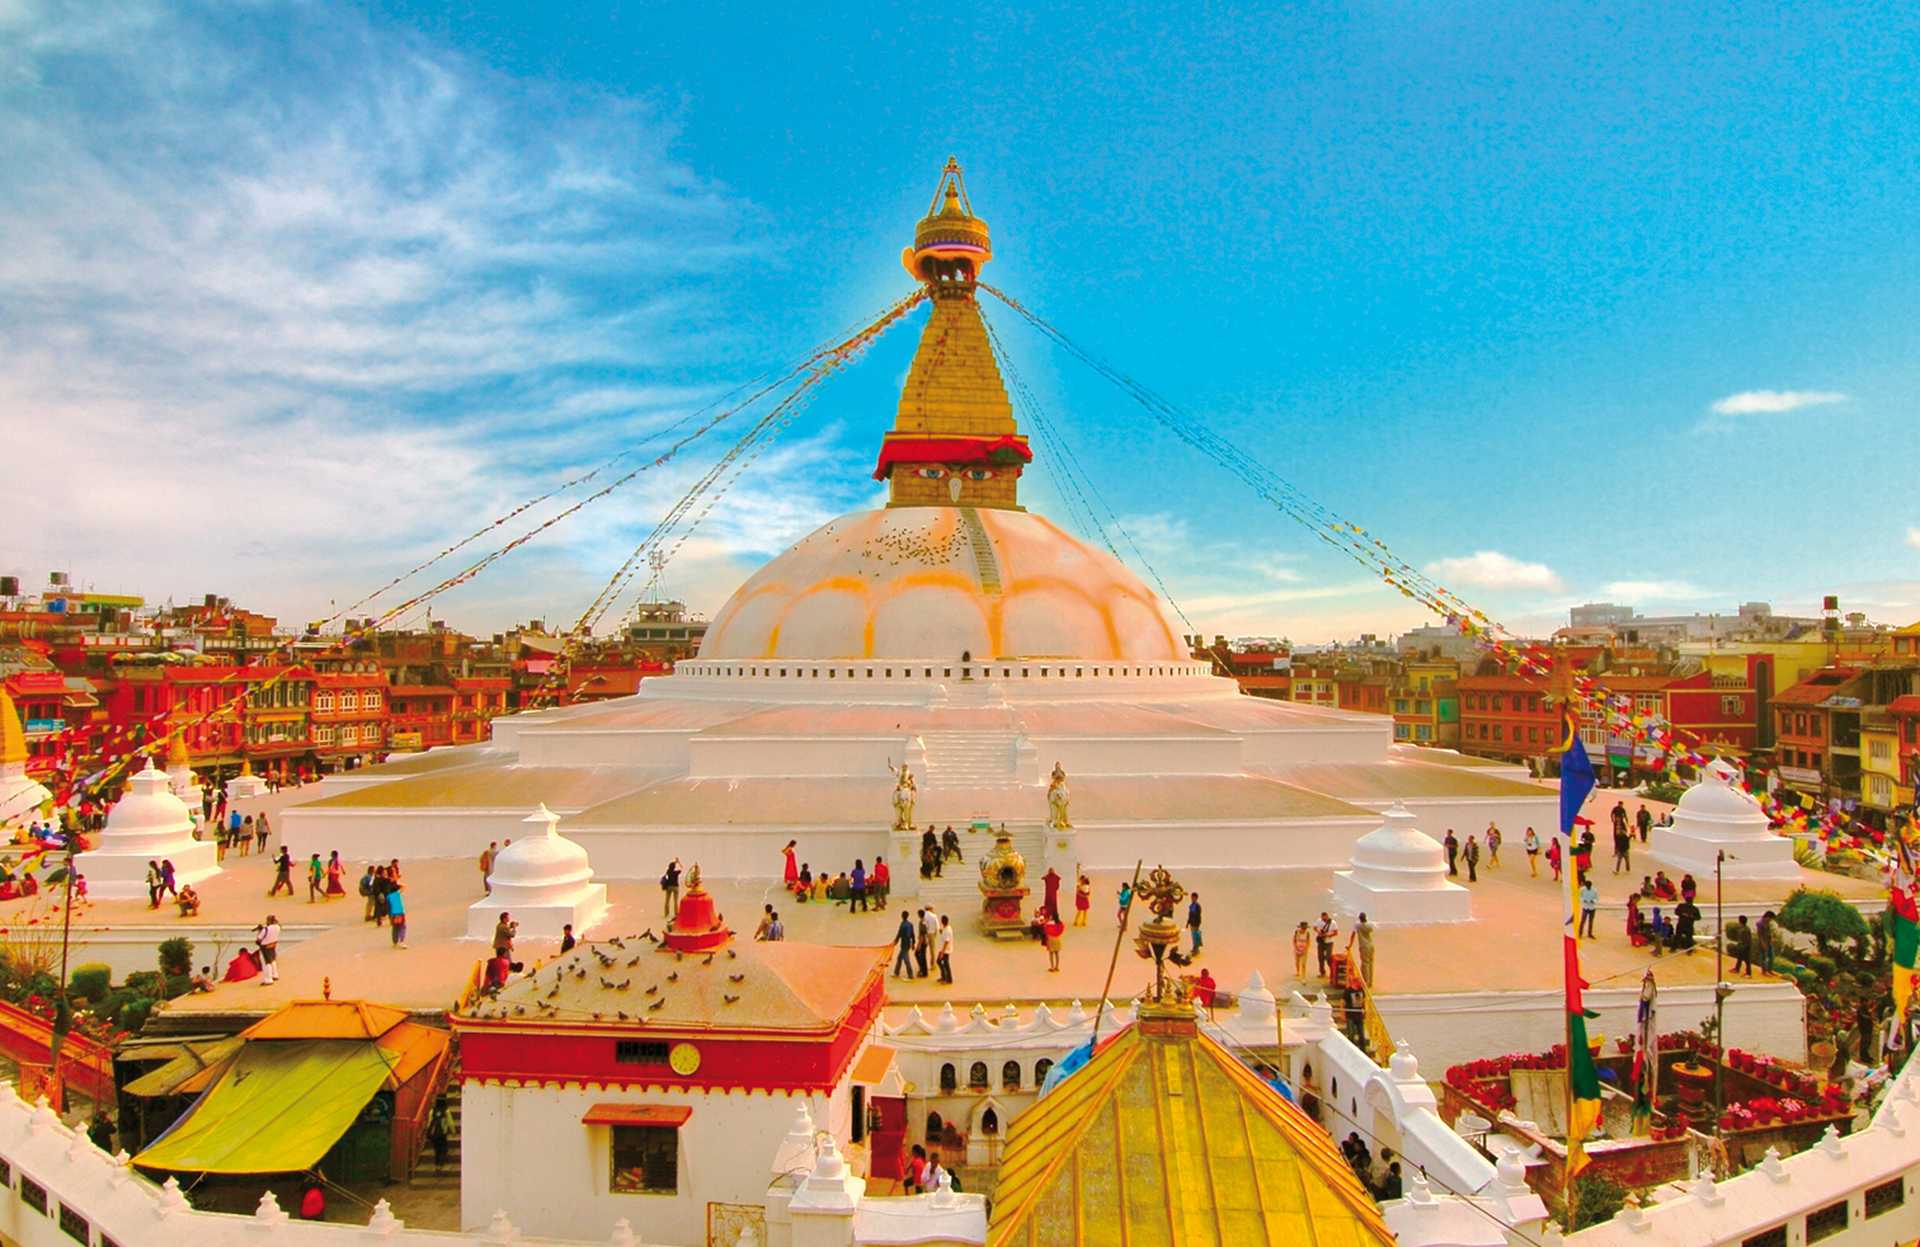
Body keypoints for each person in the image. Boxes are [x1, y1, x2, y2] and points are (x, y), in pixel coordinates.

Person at [427, 1097, 454, 1170]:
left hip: (434, 1134)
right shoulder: (446, 1111)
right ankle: (441, 1163)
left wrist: (429, 1131)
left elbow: (429, 1123)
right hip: (442, 1133)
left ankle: (437, 1164)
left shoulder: (432, 1111)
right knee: (443, 1148)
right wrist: (453, 1131)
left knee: (436, 1150)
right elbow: (450, 1122)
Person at [1351, 912, 1376, 987]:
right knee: (1371, 963)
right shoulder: (1370, 925)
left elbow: (1353, 935)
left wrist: (1350, 945)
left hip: (1364, 946)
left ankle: (1365, 982)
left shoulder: (1357, 925)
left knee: (1365, 964)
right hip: (1371, 945)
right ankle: (1370, 982)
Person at [256, 915, 281, 985]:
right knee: (273, 960)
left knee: (267, 963)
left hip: (265, 947)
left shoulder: (266, 929)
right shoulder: (278, 927)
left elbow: (259, 938)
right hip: (273, 945)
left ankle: (268, 979)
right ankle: (275, 975)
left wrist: (259, 931)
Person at [893, 911, 916, 978]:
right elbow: (913, 935)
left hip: (904, 945)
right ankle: (896, 973)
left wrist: (895, 942)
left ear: (902, 916)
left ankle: (910, 975)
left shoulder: (902, 924)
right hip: (908, 943)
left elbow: (899, 934)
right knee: (899, 958)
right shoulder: (910, 924)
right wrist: (913, 944)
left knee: (906, 960)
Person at [1315, 911, 1338, 977]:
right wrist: (1318, 932)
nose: (1323, 920)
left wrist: (1328, 935)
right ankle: (1322, 972)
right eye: (1322, 919)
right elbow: (1315, 927)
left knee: (1328, 958)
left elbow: (1336, 933)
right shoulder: (1319, 921)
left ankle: (1332, 972)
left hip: (1329, 942)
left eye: (1324, 919)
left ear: (1327, 917)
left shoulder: (1333, 923)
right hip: (1321, 942)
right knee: (1320, 957)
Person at [920, 907, 938, 977]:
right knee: (932, 950)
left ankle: (923, 967)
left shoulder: (924, 916)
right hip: (932, 934)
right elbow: (937, 927)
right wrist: (935, 935)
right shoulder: (934, 916)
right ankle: (933, 965)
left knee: (923, 951)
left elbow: (924, 926)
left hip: (926, 934)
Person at [389, 882, 408, 947]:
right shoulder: (397, 894)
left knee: (395, 927)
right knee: (402, 927)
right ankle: (402, 941)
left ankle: (395, 941)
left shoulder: (389, 896)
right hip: (400, 912)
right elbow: (404, 886)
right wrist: (398, 883)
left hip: (393, 914)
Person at [937, 913, 954, 984]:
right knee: (940, 962)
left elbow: (946, 942)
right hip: (944, 949)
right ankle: (944, 977)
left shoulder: (947, 930)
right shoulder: (946, 928)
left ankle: (948, 979)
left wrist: (942, 952)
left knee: (945, 964)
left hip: (946, 950)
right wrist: (941, 931)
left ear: (942, 922)